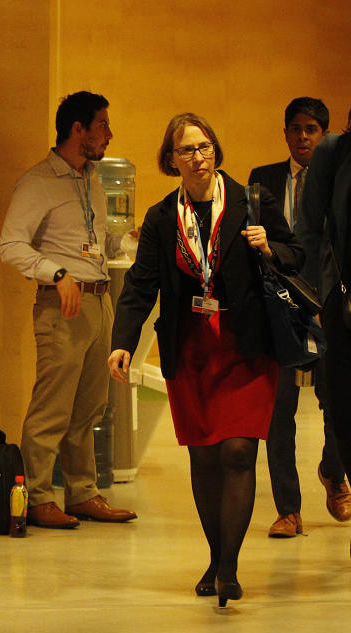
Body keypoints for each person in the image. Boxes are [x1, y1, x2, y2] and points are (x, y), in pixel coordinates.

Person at [109, 113, 303, 607]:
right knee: (204, 456)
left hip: (247, 349)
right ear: (170, 160)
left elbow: (295, 252)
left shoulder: (250, 200)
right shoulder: (159, 217)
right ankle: (215, 559)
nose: (198, 157)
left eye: (205, 146)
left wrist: (271, 248)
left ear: (216, 150)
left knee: (238, 451)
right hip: (192, 352)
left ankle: (230, 570)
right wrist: (123, 341)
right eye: (186, 150)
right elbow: (140, 284)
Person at [0, 91, 136, 529]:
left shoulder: (90, 179)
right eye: (102, 126)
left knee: (90, 408)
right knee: (52, 408)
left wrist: (132, 240)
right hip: (63, 307)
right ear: (77, 130)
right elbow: (11, 245)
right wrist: (56, 274)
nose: (108, 135)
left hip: (100, 299)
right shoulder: (37, 181)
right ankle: (38, 496)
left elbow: (98, 243)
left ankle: (82, 493)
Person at [248, 97, 351, 537]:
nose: (303, 136)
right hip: (280, 306)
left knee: (338, 402)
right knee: (279, 408)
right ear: (286, 133)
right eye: (296, 128)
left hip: (330, 304)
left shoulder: (338, 167)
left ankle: (333, 470)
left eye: (312, 129)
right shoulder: (263, 180)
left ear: (325, 134)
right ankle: (288, 508)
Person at [295, 108, 351, 550]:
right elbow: (309, 232)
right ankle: (336, 469)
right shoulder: (334, 152)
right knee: (337, 400)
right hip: (341, 302)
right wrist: (312, 300)